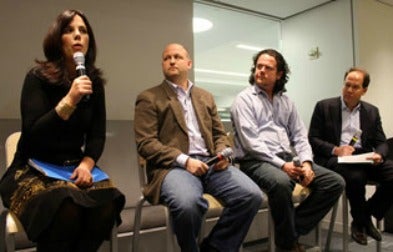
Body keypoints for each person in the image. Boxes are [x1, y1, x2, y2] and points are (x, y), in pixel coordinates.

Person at [0, 9, 125, 252]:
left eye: (83, 31)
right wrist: (70, 100)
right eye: (69, 31)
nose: (78, 36)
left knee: (108, 201)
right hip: (31, 167)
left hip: (72, 167)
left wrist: (87, 164)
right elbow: (32, 135)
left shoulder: (93, 82)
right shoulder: (37, 78)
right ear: (58, 40)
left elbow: (97, 134)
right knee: (66, 205)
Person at [134, 43, 262, 252]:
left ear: (189, 63)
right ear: (162, 64)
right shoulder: (149, 98)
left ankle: (214, 248)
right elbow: (146, 144)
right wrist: (185, 161)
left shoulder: (205, 96)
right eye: (167, 58)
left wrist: (223, 155)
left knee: (251, 196)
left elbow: (220, 135)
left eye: (177, 57)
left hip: (211, 164)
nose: (172, 61)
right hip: (173, 167)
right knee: (187, 204)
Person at [230, 49, 345, 252]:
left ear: (280, 74)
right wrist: (284, 166)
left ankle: (290, 231)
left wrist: (307, 163)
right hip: (256, 161)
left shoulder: (286, 101)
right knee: (282, 182)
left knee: (334, 182)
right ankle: (288, 244)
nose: (261, 71)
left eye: (268, 68)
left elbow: (300, 136)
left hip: (289, 159)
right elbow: (251, 144)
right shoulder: (244, 100)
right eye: (259, 67)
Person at [308, 67, 393, 245]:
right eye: (347, 85)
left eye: (355, 87)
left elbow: (381, 141)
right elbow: (313, 139)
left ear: (364, 90)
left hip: (362, 157)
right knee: (356, 177)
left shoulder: (371, 111)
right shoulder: (324, 106)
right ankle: (363, 221)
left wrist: (379, 153)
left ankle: (363, 216)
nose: (349, 90)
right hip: (334, 157)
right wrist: (336, 149)